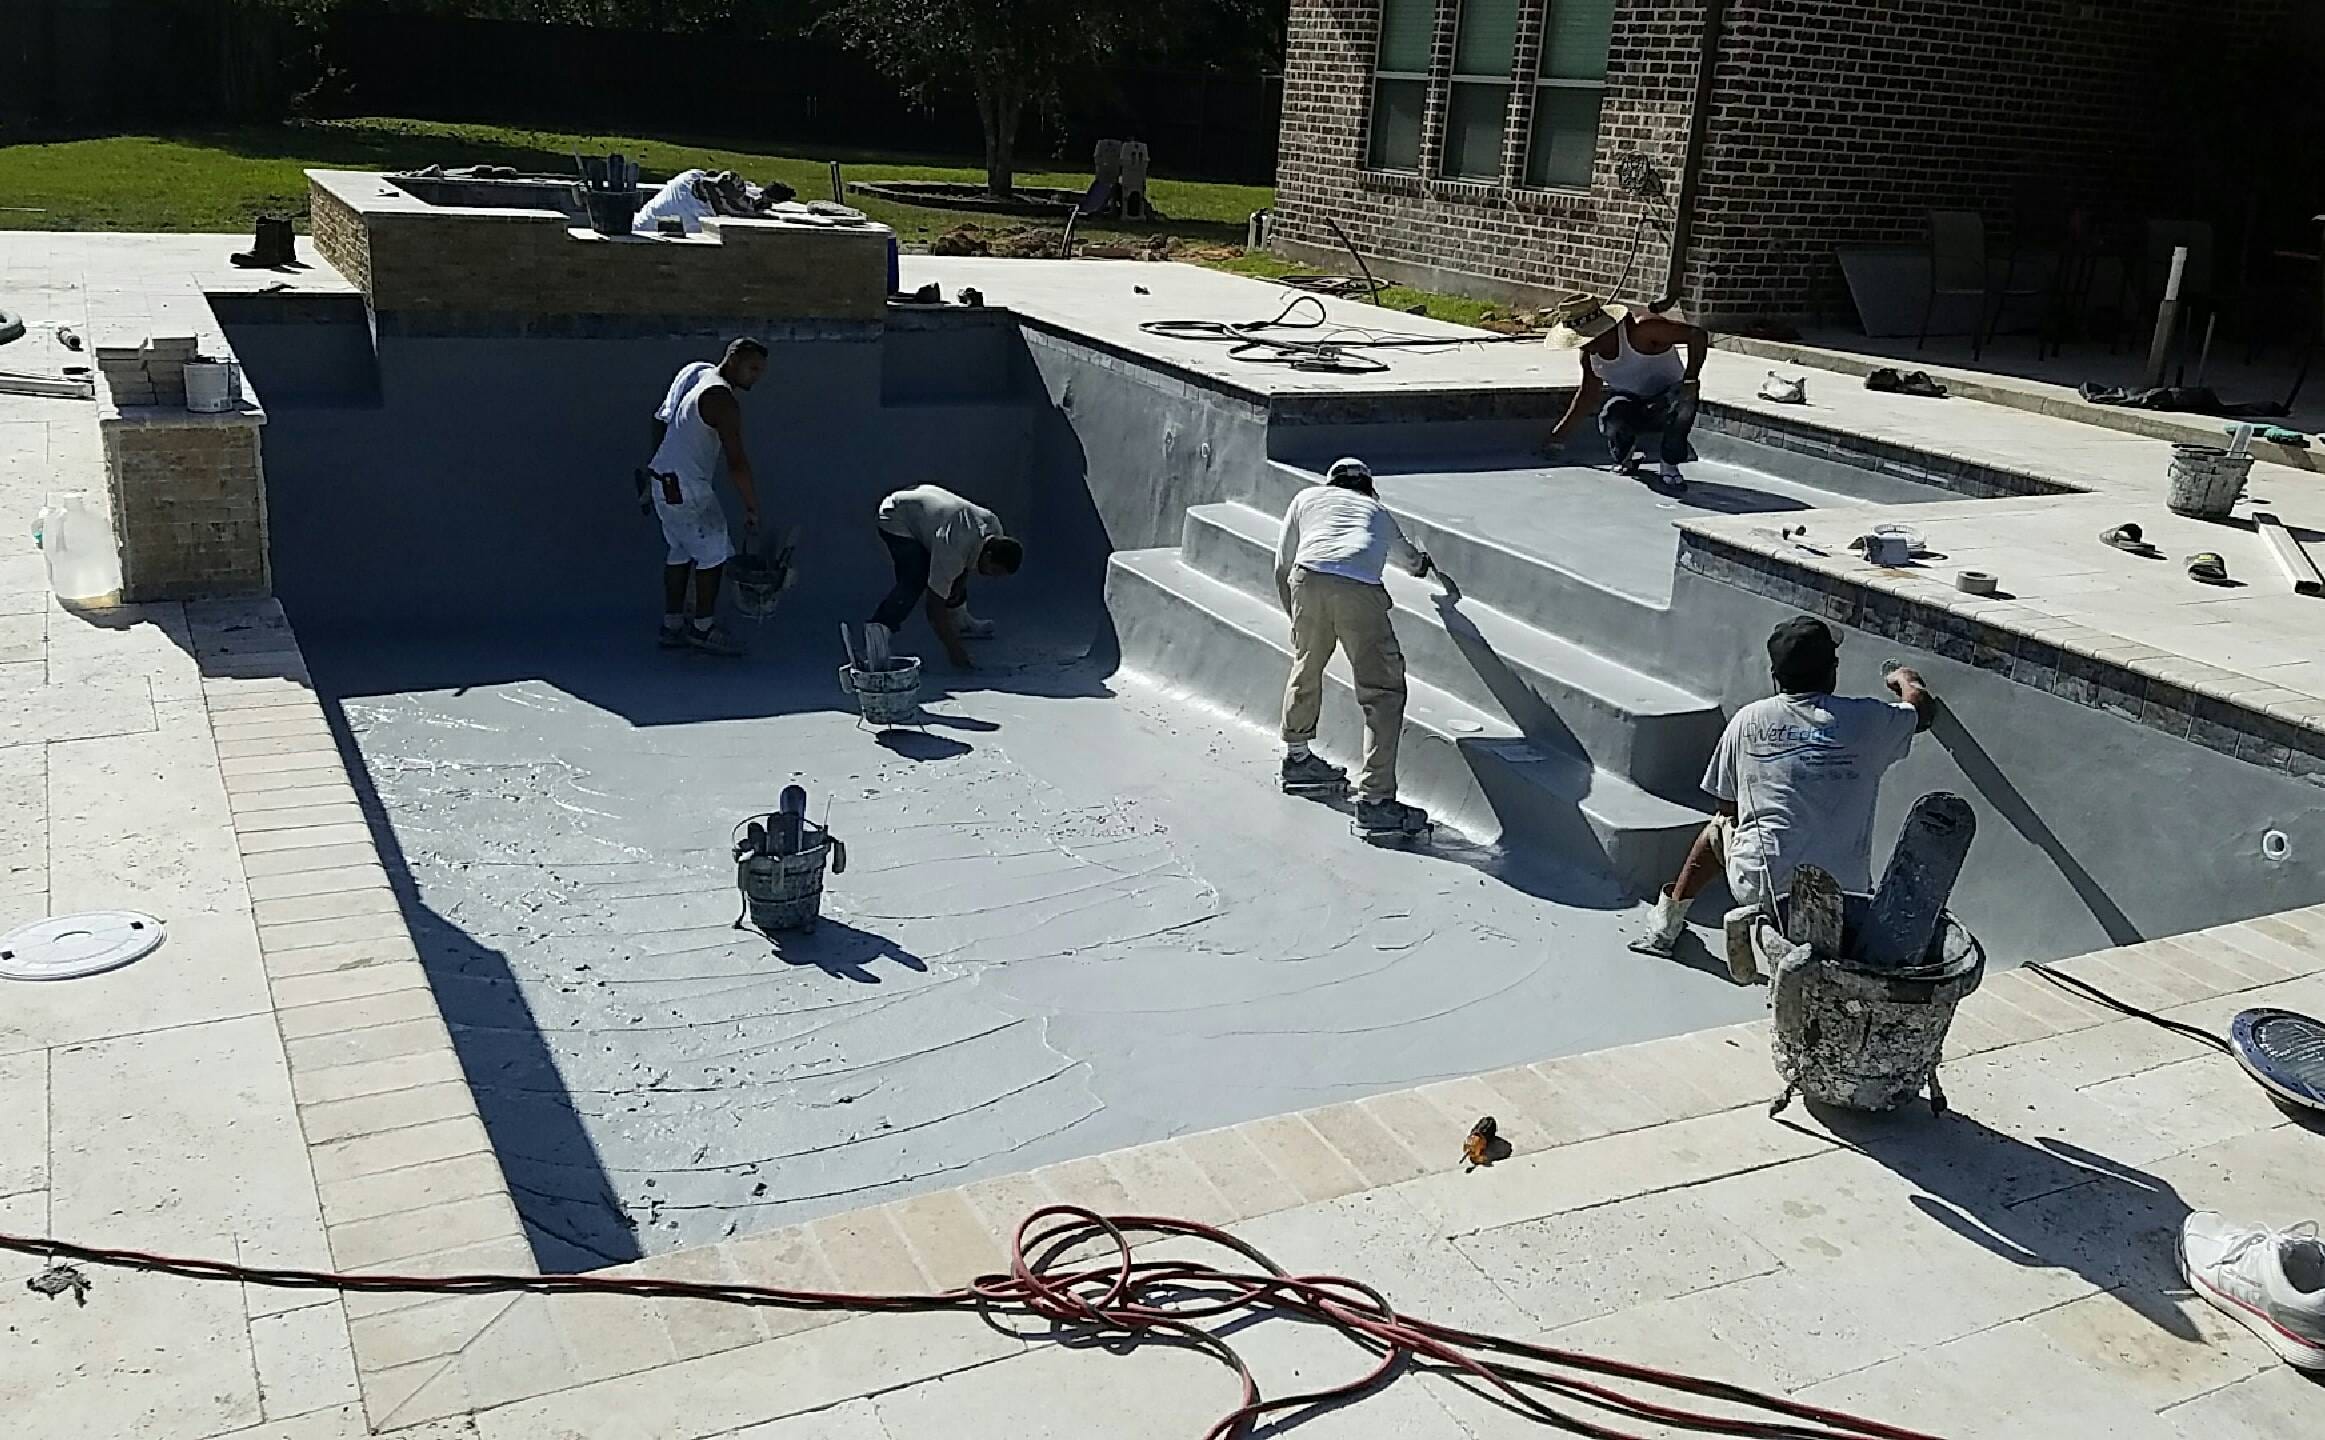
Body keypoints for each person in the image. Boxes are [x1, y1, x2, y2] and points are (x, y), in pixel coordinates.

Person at [1631, 615, 1937, 965]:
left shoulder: (1747, 720)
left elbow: (1728, 807)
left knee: (1718, 828)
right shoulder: (1869, 719)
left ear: (1775, 676)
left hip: (1759, 889)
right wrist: (1904, 679)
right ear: (1833, 671)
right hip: (1843, 896)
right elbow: (1921, 711)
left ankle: (1665, 927)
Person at [1275, 457, 1435, 837]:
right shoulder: (1377, 512)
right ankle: (1376, 801)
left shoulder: (1305, 499)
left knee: (1306, 664)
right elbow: (1412, 563)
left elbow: (1282, 565)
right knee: (1382, 692)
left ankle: (1297, 759)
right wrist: (1424, 565)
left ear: (1330, 483)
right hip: (1358, 588)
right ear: (1368, 488)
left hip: (1308, 578)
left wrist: (1296, 620)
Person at [645, 338, 765, 656]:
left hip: (662, 481)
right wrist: (751, 506)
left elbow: (660, 418)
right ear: (734, 361)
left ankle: (672, 626)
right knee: (714, 552)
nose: (756, 377)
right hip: (688, 487)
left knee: (680, 549)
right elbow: (737, 462)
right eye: (753, 369)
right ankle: (703, 628)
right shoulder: (723, 400)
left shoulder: (695, 371)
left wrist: (653, 466)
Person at [1541, 292, 1710, 493]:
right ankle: (1625, 455)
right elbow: (1588, 395)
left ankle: (1669, 464)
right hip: (1632, 405)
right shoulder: (1589, 355)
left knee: (1685, 397)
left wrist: (1691, 378)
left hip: (1667, 400)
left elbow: (1696, 335)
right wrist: (1559, 435)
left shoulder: (1642, 329)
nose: (1586, 345)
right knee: (1612, 412)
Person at [869, 486, 1022, 670]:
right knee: (915, 577)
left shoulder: (993, 527)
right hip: (896, 516)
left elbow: (969, 561)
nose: (993, 577)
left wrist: (960, 584)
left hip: (926, 508)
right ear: (988, 556)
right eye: (995, 571)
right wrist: (954, 650)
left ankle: (960, 621)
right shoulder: (953, 551)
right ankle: (878, 631)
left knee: (952, 575)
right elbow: (934, 607)